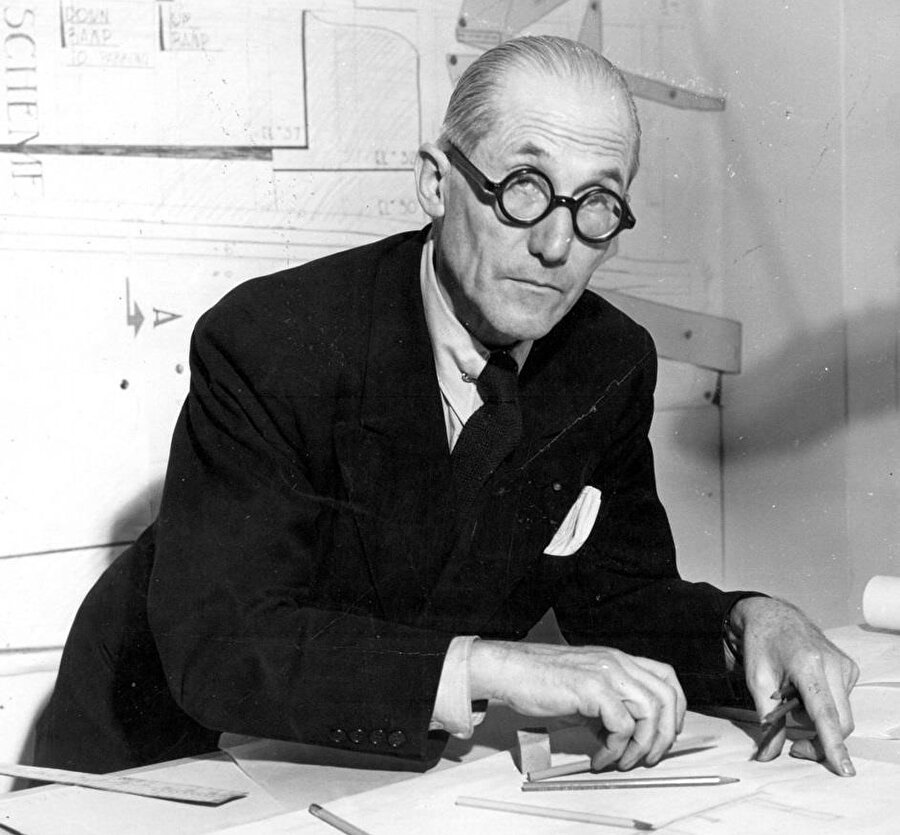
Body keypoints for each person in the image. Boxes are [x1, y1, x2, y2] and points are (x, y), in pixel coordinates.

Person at [35, 35, 858, 778]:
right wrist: (494, 666)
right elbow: (225, 640)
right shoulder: (272, 340)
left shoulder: (608, 362)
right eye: (525, 187)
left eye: (596, 205)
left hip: (366, 766)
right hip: (166, 753)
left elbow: (621, 596)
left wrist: (744, 624)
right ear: (436, 182)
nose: (556, 245)